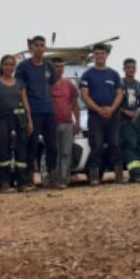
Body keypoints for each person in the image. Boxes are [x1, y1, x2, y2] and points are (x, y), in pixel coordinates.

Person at [79, 43, 125, 185]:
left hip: (113, 115)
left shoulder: (114, 74)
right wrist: (99, 110)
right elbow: (84, 95)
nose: (100, 56)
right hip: (95, 116)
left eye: (102, 53)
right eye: (97, 53)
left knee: (115, 144)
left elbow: (120, 93)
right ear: (94, 55)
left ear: (107, 55)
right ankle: (94, 176)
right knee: (96, 146)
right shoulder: (87, 74)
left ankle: (119, 175)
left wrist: (111, 109)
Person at [15, 36, 58, 185]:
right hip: (32, 111)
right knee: (32, 145)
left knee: (52, 144)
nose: (39, 48)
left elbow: (52, 87)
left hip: (48, 111)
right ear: (31, 47)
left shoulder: (49, 66)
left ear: (45, 48)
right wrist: (27, 112)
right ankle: (30, 178)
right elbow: (21, 90)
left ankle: (52, 176)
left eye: (42, 45)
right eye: (36, 45)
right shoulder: (23, 67)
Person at [0, 54, 33, 192]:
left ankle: (22, 183)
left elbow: (25, 103)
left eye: (11, 65)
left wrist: (29, 121)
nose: (9, 67)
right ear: (1, 66)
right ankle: (5, 183)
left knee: (21, 151)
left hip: (19, 120)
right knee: (3, 151)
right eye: (6, 64)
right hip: (2, 119)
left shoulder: (20, 83)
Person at [48, 57, 80, 188]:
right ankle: (53, 179)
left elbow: (75, 104)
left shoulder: (69, 84)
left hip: (67, 123)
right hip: (51, 123)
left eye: (61, 66)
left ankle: (64, 179)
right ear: (51, 68)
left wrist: (77, 122)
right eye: (56, 67)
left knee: (66, 152)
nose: (59, 69)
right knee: (53, 151)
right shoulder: (46, 84)